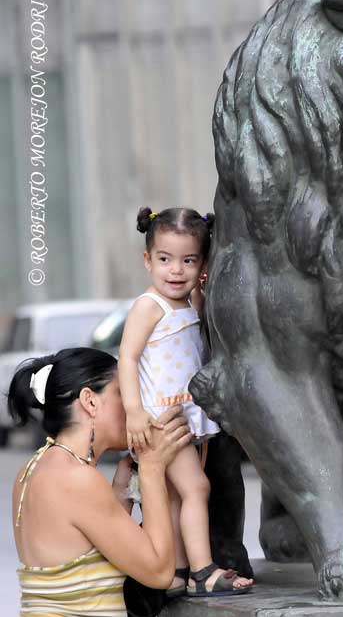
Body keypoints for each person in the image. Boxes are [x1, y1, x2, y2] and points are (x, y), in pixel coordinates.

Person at [118, 206, 253, 598]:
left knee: (177, 497)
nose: (175, 270)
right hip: (162, 419)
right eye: (165, 259)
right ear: (148, 260)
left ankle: (175, 570)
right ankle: (203, 571)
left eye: (188, 261)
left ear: (201, 264)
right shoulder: (149, 306)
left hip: (188, 416)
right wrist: (134, 412)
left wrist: (200, 289)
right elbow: (127, 358)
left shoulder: (184, 304)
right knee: (197, 489)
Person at [9, 346, 192, 616]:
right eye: (123, 393)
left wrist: (120, 490)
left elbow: (89, 549)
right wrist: (153, 469)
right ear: (90, 401)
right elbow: (159, 572)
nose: (134, 406)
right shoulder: (77, 479)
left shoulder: (35, 467)